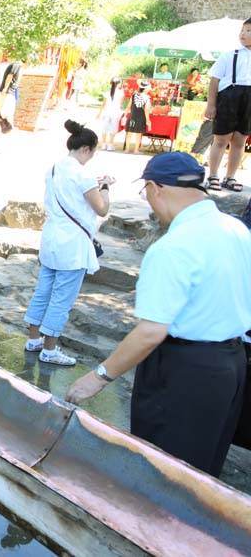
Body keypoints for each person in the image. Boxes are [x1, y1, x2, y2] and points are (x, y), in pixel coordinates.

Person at [67, 152, 251, 477]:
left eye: (146, 193)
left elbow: (151, 332)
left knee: (163, 474)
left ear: (155, 187)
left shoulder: (173, 247)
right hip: (232, 364)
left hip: (184, 373)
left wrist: (98, 377)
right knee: (202, 472)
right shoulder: (236, 230)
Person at [23, 120, 112, 366]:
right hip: (72, 245)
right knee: (62, 298)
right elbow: (101, 208)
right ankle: (50, 349)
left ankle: (34, 339)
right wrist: (105, 187)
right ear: (86, 149)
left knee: (43, 289)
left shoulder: (53, 168)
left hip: (51, 237)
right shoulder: (83, 174)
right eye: (93, 152)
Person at [204, 17, 251, 193]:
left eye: (248, 31)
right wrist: (211, 105)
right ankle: (213, 175)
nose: (243, 34)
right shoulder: (230, 54)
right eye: (242, 30)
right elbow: (214, 81)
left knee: (240, 141)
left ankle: (230, 176)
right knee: (221, 139)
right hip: (229, 98)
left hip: (249, 100)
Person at [96, 77, 124, 151]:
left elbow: (103, 104)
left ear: (111, 83)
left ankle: (104, 144)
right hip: (115, 114)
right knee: (113, 128)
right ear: (118, 84)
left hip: (106, 113)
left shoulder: (107, 93)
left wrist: (99, 113)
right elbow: (121, 104)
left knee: (104, 128)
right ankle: (110, 144)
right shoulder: (121, 93)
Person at [124, 80, 150, 154]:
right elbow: (146, 110)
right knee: (138, 135)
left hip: (132, 117)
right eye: (148, 89)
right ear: (145, 89)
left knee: (129, 134)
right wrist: (148, 120)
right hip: (141, 118)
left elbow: (128, 106)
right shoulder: (147, 98)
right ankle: (136, 150)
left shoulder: (133, 95)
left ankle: (127, 150)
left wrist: (125, 115)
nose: (148, 90)